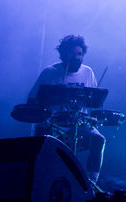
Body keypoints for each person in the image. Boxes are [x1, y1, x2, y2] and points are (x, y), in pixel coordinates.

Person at [28, 34, 105, 183]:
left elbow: (94, 102)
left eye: (80, 54)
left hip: (79, 125)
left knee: (98, 139)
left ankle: (91, 184)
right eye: (73, 53)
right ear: (63, 54)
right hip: (53, 124)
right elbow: (32, 100)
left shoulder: (87, 72)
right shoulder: (49, 72)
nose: (77, 57)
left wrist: (95, 117)